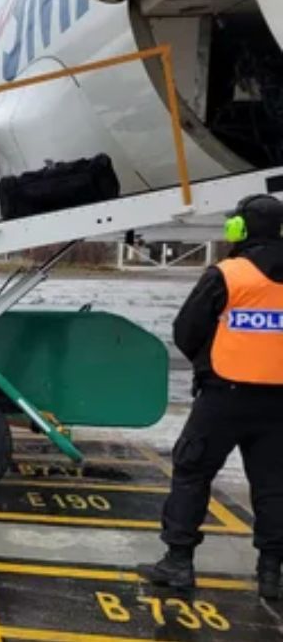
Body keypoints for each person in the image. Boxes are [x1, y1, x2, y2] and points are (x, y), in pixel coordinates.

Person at [139, 194, 283, 599]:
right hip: (278, 403)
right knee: (274, 487)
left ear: (240, 229)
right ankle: (271, 574)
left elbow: (186, 330)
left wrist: (209, 365)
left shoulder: (229, 274)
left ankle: (179, 562)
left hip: (225, 395)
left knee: (192, 473)